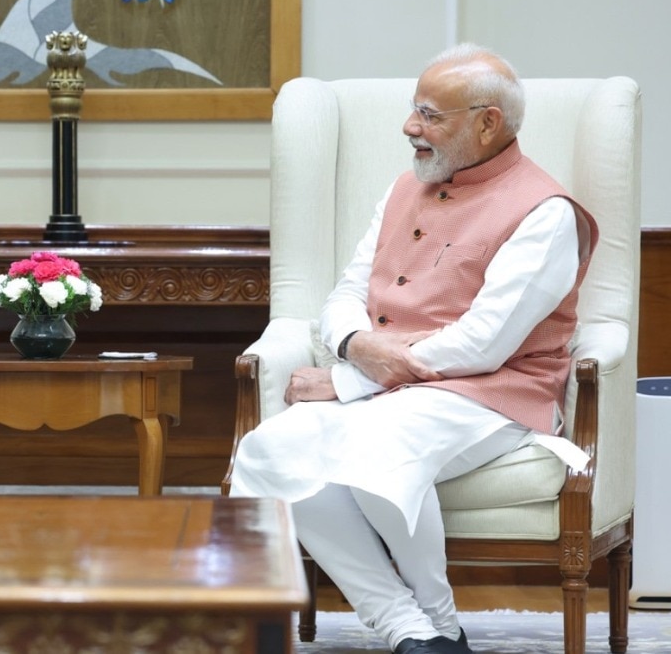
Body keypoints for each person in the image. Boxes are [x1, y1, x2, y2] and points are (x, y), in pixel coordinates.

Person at [229, 43, 598, 654]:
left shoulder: (547, 213)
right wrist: (353, 342)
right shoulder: (407, 187)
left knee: (374, 444)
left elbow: (483, 345)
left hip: (496, 394)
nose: (410, 128)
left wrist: (350, 380)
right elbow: (348, 289)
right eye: (413, 110)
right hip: (400, 389)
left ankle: (437, 619)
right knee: (267, 450)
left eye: (430, 115)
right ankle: (411, 627)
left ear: (488, 123)